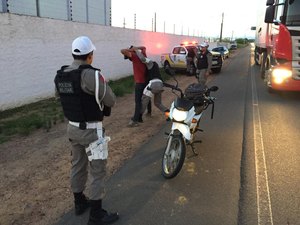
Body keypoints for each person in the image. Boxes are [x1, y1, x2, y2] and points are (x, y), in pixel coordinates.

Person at [54, 36, 119, 225]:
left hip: (72, 129)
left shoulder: (61, 75)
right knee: (98, 171)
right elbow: (111, 100)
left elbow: (60, 97)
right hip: (93, 132)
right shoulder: (92, 75)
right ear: (90, 55)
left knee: (77, 165)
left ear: (74, 53)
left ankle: (79, 202)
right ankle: (96, 215)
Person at [120, 45, 150, 127]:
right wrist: (136, 48)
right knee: (147, 96)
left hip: (139, 82)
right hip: (146, 81)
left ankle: (135, 120)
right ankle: (149, 112)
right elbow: (144, 47)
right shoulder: (143, 55)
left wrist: (130, 50)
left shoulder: (134, 56)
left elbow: (122, 50)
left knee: (138, 101)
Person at [134, 50, 168, 115]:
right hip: (160, 84)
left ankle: (138, 116)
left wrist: (136, 50)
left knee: (144, 99)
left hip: (153, 84)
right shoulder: (156, 66)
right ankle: (168, 114)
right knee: (158, 103)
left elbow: (142, 59)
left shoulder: (150, 63)